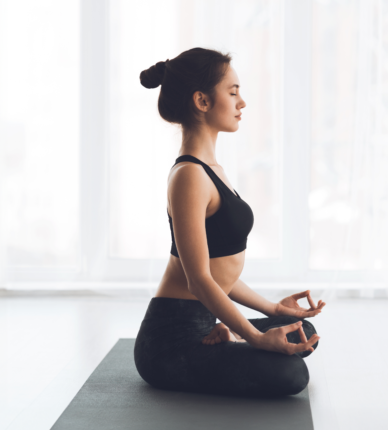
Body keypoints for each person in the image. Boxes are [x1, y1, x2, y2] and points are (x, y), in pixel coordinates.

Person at [133, 47, 325, 398]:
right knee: (292, 375)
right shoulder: (189, 176)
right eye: (233, 92)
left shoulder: (211, 170)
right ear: (202, 101)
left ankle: (229, 333)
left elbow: (219, 271)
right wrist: (253, 335)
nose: (242, 103)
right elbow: (199, 280)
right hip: (170, 343)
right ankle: (233, 335)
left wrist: (274, 309)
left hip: (206, 320)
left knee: (300, 327)